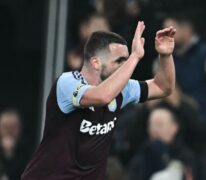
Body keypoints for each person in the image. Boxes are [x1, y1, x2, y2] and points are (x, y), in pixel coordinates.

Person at [22, 21, 176, 180]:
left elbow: (163, 87)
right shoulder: (67, 83)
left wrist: (165, 55)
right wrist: (134, 56)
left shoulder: (122, 89)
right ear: (96, 63)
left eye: (126, 60)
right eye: (119, 61)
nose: (125, 67)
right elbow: (103, 96)